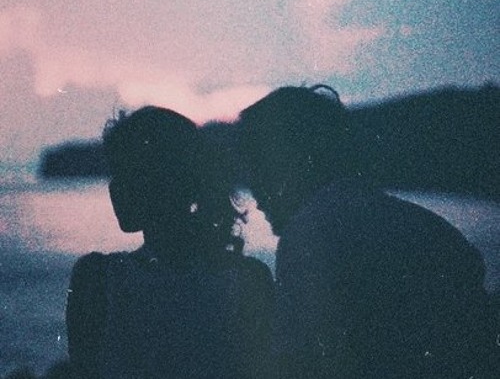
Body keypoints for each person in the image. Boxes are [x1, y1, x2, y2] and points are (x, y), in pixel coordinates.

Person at [238, 85, 499, 379]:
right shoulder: (435, 228)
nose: (255, 191)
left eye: (258, 167)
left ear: (291, 162)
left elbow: (302, 365)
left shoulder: (309, 238)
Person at [66, 106, 274, 379]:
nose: (114, 189)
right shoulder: (249, 279)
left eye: (130, 174)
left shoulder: (97, 280)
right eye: (114, 173)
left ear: (172, 181)